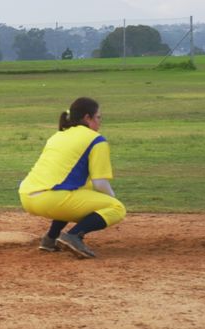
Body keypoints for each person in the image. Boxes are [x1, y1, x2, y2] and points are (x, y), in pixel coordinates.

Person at [18, 97, 125, 259]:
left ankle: (50, 239)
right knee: (116, 208)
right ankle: (73, 236)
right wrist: (112, 201)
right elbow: (100, 182)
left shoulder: (58, 135)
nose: (100, 121)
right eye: (98, 117)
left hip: (27, 196)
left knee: (81, 187)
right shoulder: (96, 139)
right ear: (87, 118)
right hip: (52, 199)